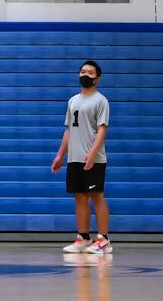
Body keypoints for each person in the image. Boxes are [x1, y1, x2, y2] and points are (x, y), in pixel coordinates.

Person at [52, 60, 111, 256]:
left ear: (97, 78)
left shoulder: (100, 101)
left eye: (90, 72)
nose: (85, 74)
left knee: (97, 197)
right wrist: (60, 155)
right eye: (83, 71)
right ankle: (83, 238)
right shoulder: (72, 101)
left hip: (93, 158)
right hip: (74, 158)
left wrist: (92, 154)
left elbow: (102, 130)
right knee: (79, 197)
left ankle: (103, 240)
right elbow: (69, 130)